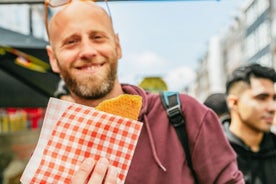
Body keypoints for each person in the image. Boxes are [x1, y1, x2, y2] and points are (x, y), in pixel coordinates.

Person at [44, 0, 244, 183]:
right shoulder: (51, 150)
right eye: (71, 42)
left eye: (97, 37)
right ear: (53, 58)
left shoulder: (184, 115)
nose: (87, 51)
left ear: (118, 45)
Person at [225, 63, 276, 184]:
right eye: (262, 98)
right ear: (234, 103)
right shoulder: (214, 153)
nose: (272, 107)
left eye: (274, 98)